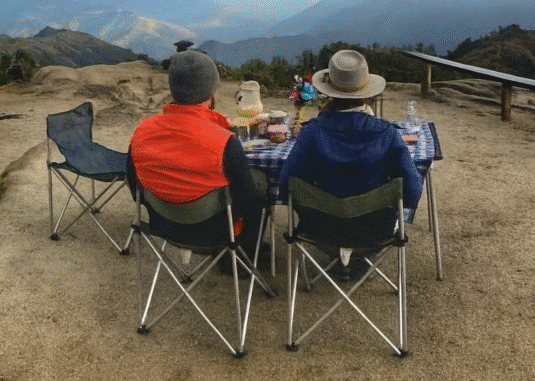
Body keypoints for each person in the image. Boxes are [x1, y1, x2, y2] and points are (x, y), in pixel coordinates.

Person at [278, 49, 422, 280]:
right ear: (367, 93)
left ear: (329, 92)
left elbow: (286, 185)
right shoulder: (387, 134)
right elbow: (412, 189)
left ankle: (341, 258)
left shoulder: (311, 133)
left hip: (320, 229)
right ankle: (358, 261)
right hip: (375, 231)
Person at [126, 47, 267, 258]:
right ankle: (243, 257)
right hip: (216, 233)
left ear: (172, 87)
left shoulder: (142, 131)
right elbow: (248, 202)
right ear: (212, 92)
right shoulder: (224, 141)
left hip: (161, 225)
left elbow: (132, 182)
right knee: (260, 192)